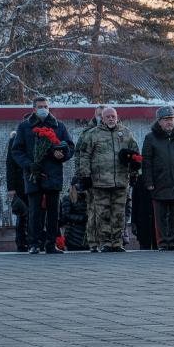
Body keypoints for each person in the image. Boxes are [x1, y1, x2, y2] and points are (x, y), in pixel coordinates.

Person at [10, 96, 75, 254]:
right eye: (40, 106)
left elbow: (69, 146)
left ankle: (51, 244)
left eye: (46, 106)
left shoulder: (58, 126)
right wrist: (29, 165)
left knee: (54, 212)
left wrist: (63, 154)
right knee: (34, 212)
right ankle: (34, 243)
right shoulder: (25, 127)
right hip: (34, 175)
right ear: (34, 109)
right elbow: (16, 150)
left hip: (53, 174)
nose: (43, 109)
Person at [77, 106, 141, 252]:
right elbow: (84, 156)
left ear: (117, 117)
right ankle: (105, 242)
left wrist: (134, 173)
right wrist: (85, 176)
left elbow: (135, 155)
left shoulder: (126, 133)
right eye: (108, 116)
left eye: (113, 116)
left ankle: (117, 242)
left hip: (121, 180)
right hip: (100, 182)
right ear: (102, 119)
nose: (111, 119)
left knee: (119, 214)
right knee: (103, 214)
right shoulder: (93, 134)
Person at [141, 106, 174, 251]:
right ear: (159, 121)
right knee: (161, 215)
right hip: (159, 183)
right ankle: (163, 242)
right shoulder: (151, 138)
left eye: (171, 119)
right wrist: (149, 182)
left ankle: (173, 241)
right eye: (165, 120)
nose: (169, 122)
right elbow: (146, 162)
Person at [75, 105, 105, 251]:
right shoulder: (86, 133)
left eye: (103, 114)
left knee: (109, 211)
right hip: (91, 178)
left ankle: (110, 242)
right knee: (93, 210)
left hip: (110, 178)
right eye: (99, 115)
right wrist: (80, 177)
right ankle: (93, 242)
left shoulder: (118, 131)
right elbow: (79, 155)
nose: (101, 117)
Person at [5, 131, 29, 252]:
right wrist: (11, 188)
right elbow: (10, 165)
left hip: (32, 182)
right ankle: (21, 242)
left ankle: (31, 240)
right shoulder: (14, 140)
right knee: (22, 212)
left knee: (33, 213)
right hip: (20, 185)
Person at [59, 182, 89, 251]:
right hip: (72, 237)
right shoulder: (68, 198)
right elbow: (66, 216)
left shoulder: (88, 198)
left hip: (85, 237)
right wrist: (83, 218)